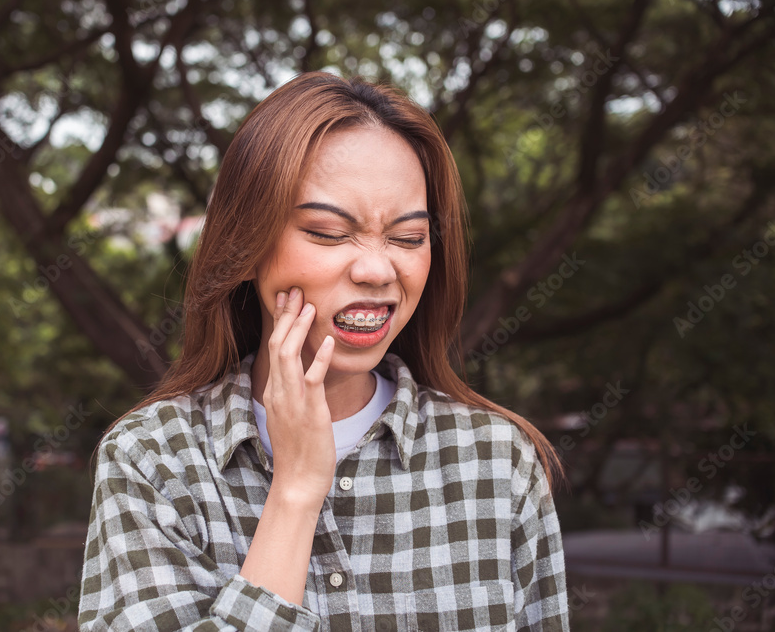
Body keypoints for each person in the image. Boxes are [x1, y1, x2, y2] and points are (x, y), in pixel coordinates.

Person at [78, 71, 569, 631]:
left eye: (408, 238)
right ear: (248, 245)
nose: (377, 269)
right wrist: (295, 493)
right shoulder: (153, 459)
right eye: (330, 232)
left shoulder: (496, 462)